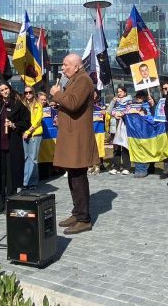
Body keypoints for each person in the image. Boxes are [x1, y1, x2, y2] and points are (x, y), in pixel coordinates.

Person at [50, 53, 100, 234]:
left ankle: (84, 219)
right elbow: (69, 104)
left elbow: (72, 104)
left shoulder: (84, 80)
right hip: (71, 135)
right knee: (73, 176)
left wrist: (57, 94)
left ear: (77, 66)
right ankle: (77, 212)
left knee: (78, 177)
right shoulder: (74, 80)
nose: (62, 68)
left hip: (78, 138)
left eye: (65, 65)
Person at [0, 83, 29, 215]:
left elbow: (26, 122)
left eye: (6, 89)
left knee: (11, 176)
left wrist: (14, 125)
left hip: (12, 146)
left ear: (10, 89)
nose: (4, 91)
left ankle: (11, 203)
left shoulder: (18, 105)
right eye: (2, 90)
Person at [21, 86, 43, 190]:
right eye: (26, 93)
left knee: (33, 158)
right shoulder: (22, 105)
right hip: (24, 134)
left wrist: (29, 131)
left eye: (30, 92)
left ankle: (33, 182)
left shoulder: (38, 105)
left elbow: (37, 121)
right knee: (25, 158)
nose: (28, 94)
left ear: (33, 93)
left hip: (35, 134)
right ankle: (25, 182)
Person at [107, 86, 132, 175]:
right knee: (116, 148)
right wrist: (113, 103)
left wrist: (121, 114)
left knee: (125, 147)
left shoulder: (129, 100)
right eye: (118, 92)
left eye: (121, 91)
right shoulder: (115, 100)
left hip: (124, 125)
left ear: (125, 92)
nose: (119, 93)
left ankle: (126, 167)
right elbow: (109, 111)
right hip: (115, 125)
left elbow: (129, 109)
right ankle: (116, 166)